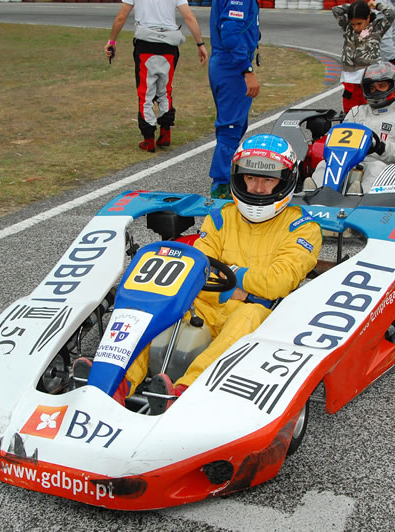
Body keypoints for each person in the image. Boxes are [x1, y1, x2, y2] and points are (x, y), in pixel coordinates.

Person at [135, 135, 323, 414]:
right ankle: (118, 382)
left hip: (258, 314)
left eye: (268, 180)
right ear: (239, 177)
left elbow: (278, 282)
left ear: (285, 181)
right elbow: (197, 267)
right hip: (209, 302)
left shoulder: (303, 228)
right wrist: (241, 287)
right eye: (251, 178)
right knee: (162, 306)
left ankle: (184, 391)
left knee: (248, 315)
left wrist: (230, 275)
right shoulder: (221, 217)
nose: (258, 188)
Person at [105, 0, 208, 153]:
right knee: (165, 89)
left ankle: (148, 138)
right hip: (169, 43)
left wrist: (112, 41)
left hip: (146, 42)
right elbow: (189, 17)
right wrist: (200, 44)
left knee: (145, 91)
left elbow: (121, 17)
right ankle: (165, 132)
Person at [208, 0, 261, 200]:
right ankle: (221, 187)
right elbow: (230, 31)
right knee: (231, 127)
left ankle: (226, 180)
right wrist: (246, 70)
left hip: (225, 62)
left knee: (234, 125)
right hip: (232, 65)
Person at [345, 61, 395, 192]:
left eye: (381, 86)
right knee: (324, 165)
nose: (376, 90)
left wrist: (379, 147)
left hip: (385, 167)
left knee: (375, 167)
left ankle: (361, 201)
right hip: (351, 162)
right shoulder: (356, 112)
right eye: (372, 87)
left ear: (394, 85)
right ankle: (315, 197)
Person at [332, 0, 395, 113]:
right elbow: (336, 10)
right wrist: (355, 7)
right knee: (349, 105)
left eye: (359, 23)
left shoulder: (377, 28)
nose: (356, 27)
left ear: (368, 18)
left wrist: (375, 5)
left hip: (369, 73)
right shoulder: (348, 28)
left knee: (368, 104)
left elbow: (391, 14)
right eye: (353, 24)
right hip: (350, 74)